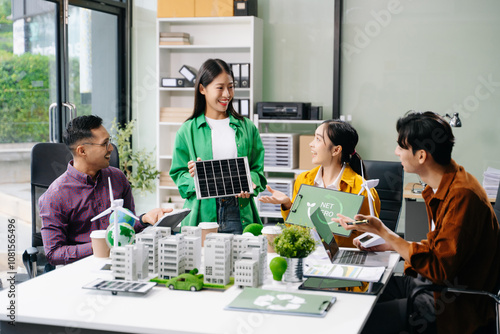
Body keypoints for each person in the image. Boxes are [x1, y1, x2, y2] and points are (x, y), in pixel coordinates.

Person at [336, 111, 500, 334]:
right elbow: (440, 248)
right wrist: (390, 244)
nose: (396, 152)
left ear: (421, 156)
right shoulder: (445, 184)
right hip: (429, 286)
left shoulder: (462, 196)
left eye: (401, 147)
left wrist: (385, 232)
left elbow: (440, 268)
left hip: (449, 304)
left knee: (358, 322)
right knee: (353, 294)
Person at [39, 115, 170, 266]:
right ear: (82, 151)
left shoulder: (117, 178)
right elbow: (53, 253)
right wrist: (102, 244)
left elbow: (126, 228)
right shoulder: (55, 196)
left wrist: (144, 219)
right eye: (105, 144)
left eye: (110, 141)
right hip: (81, 269)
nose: (111, 148)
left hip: (122, 262)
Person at [169, 58, 266, 234]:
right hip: (203, 215)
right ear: (202, 89)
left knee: (243, 260)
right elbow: (178, 173)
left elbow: (257, 169)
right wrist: (197, 179)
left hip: (239, 211)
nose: (227, 94)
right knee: (202, 261)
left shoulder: (247, 128)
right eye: (220, 87)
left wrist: (251, 183)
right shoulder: (187, 130)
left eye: (231, 86)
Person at [258, 119, 380, 247]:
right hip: (308, 255)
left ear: (336, 150)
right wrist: (288, 205)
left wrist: (328, 237)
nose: (311, 144)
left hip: (342, 260)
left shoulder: (362, 189)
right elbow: (295, 228)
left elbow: (370, 234)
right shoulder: (303, 180)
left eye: (318, 139)